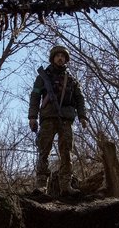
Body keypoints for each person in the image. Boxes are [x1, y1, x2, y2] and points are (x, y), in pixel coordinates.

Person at [28, 45, 88, 196]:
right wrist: (32, 117)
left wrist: (82, 116)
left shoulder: (72, 80)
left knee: (67, 152)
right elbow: (35, 96)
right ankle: (41, 185)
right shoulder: (43, 77)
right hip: (48, 117)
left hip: (66, 119)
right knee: (44, 151)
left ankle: (65, 186)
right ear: (53, 58)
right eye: (57, 56)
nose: (60, 58)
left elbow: (80, 98)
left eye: (63, 56)